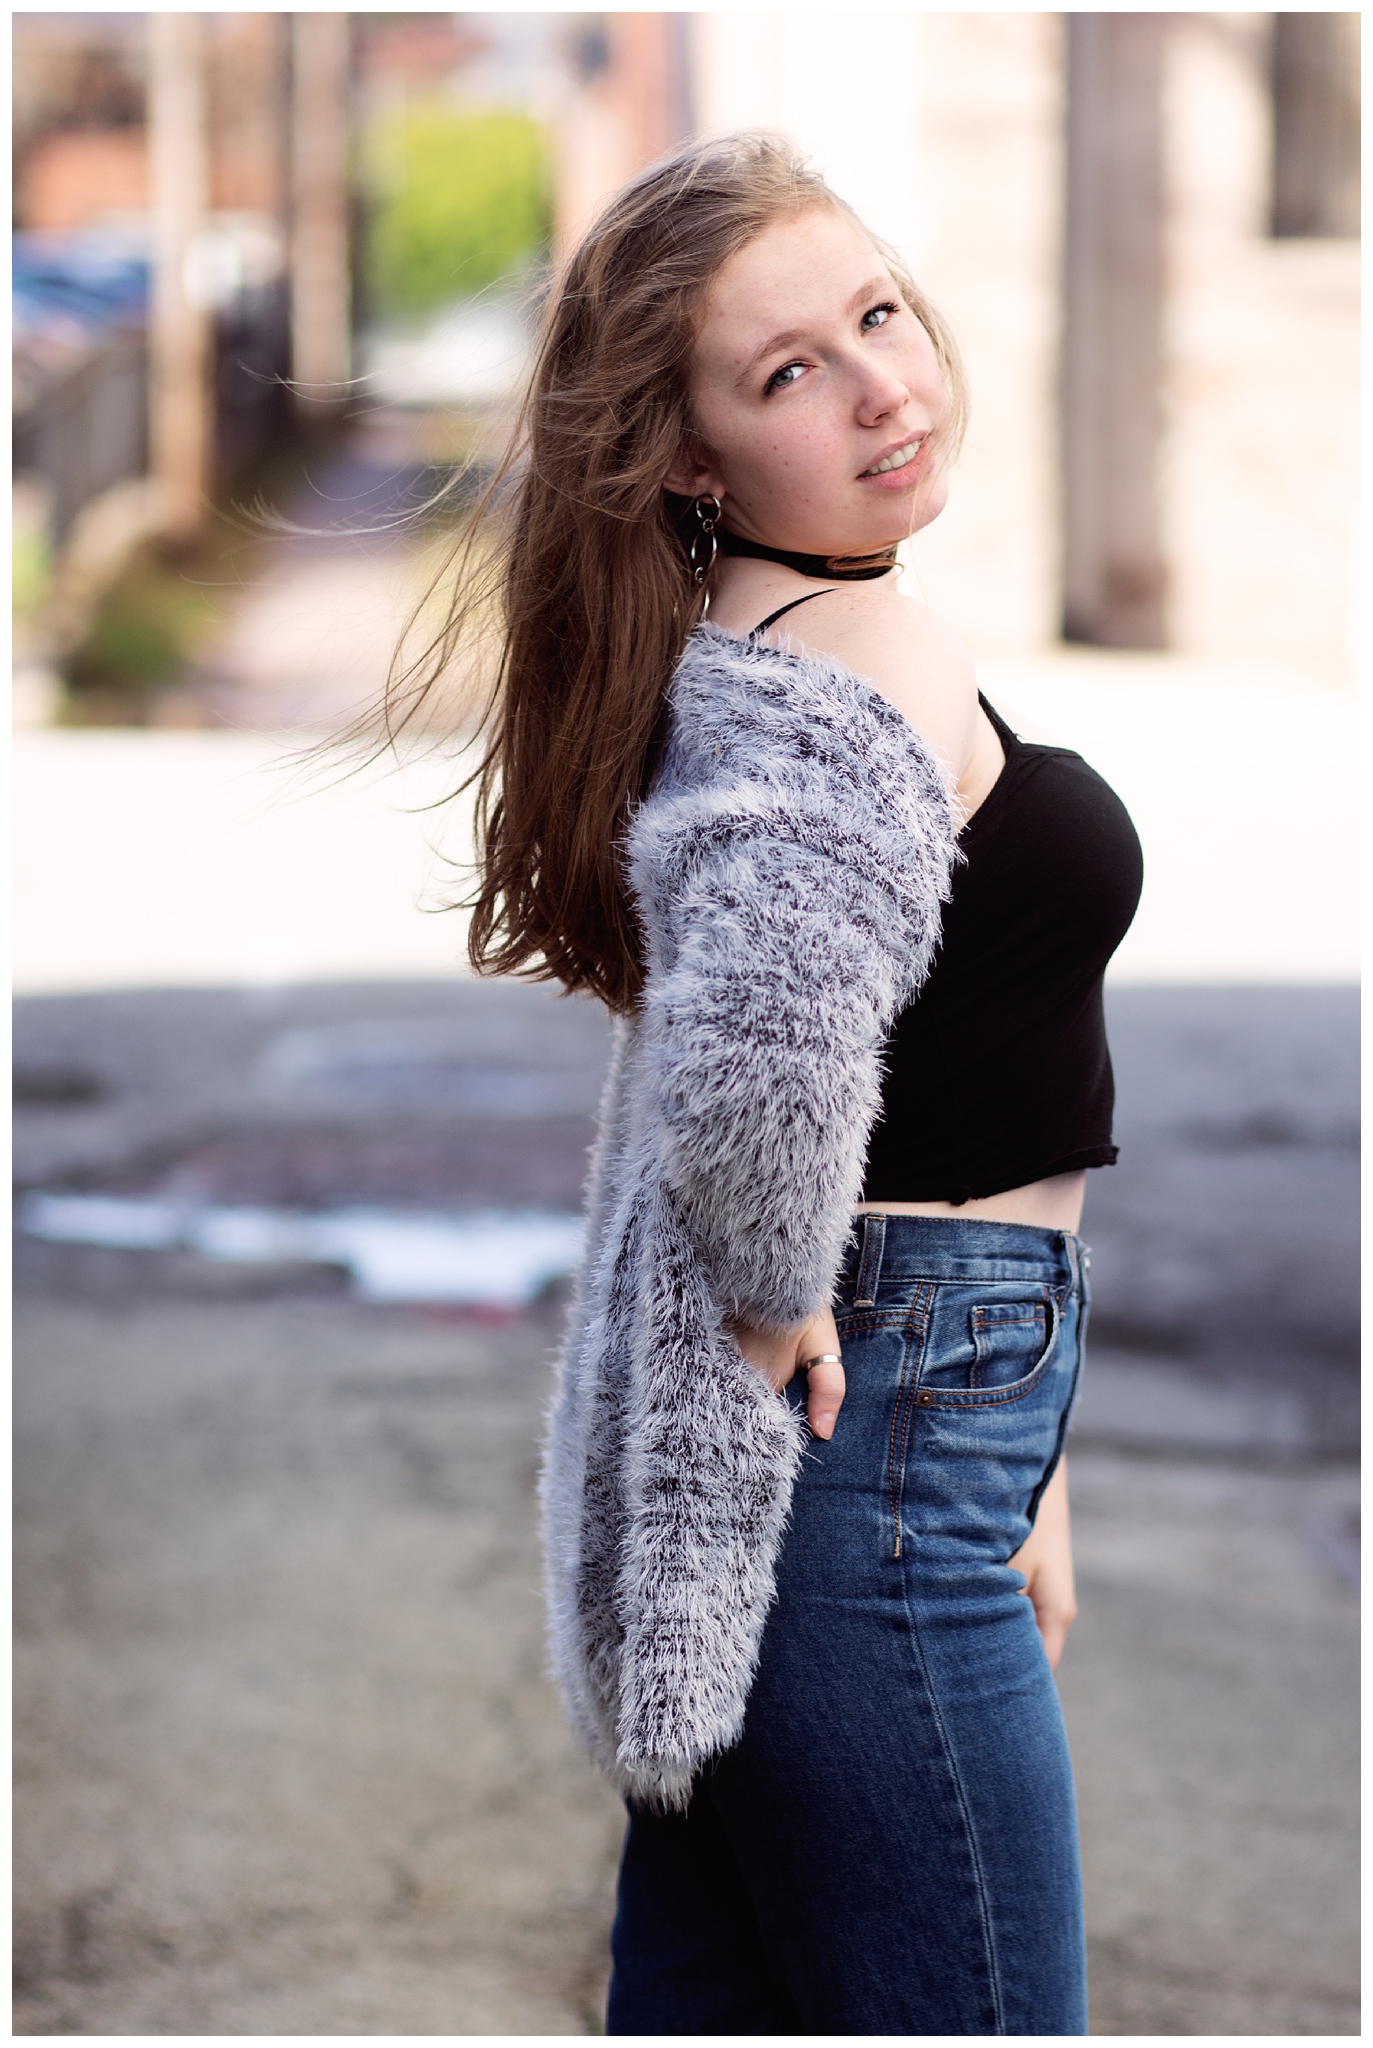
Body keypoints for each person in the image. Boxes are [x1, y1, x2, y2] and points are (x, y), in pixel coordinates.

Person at [404, 131, 1142, 2036]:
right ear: (688, 460)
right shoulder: (852, 654)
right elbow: (753, 1056)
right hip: (877, 1425)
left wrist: (1006, 1470)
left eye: (876, 313)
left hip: (905, 1427)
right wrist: (793, 1320)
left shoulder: (759, 644)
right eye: (789, 373)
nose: (881, 382)